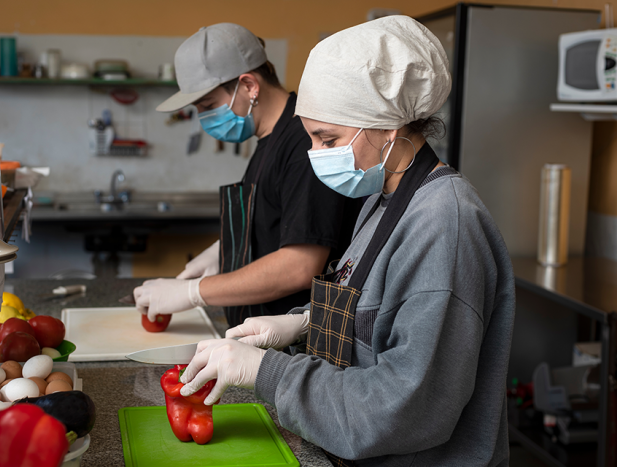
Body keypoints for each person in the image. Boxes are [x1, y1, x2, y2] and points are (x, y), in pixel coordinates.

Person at [177, 16, 516, 466]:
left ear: (387, 128)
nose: (316, 154)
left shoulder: (444, 224)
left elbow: (402, 409)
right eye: (312, 138)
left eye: (328, 138)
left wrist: (266, 372)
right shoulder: (384, 197)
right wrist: (302, 322)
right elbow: (378, 307)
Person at [133, 23, 360, 328]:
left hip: (293, 344)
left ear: (250, 86)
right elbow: (275, 219)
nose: (205, 118)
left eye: (209, 106)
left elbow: (300, 266)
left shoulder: (304, 141)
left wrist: (193, 292)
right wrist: (222, 252)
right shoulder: (270, 137)